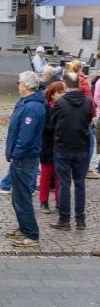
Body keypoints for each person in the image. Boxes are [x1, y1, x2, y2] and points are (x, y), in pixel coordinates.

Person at [5, 71, 45, 248]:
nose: (17, 85)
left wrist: (16, 154)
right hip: (21, 157)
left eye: (19, 82)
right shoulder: (25, 103)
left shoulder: (33, 107)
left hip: (24, 158)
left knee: (23, 197)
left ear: (27, 85)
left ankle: (31, 234)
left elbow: (26, 136)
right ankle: (23, 227)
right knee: (18, 196)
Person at [51, 72, 93, 232]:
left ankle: (64, 219)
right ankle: (80, 220)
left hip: (63, 147)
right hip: (81, 147)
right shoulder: (88, 102)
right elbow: (89, 120)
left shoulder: (60, 103)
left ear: (65, 85)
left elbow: (53, 121)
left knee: (64, 184)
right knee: (80, 184)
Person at [38, 82, 66, 214]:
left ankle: (59, 201)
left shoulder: (64, 107)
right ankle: (43, 201)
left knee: (60, 175)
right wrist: (59, 128)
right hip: (48, 145)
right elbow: (45, 128)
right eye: (60, 92)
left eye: (64, 92)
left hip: (61, 146)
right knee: (46, 175)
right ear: (52, 94)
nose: (62, 94)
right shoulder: (45, 107)